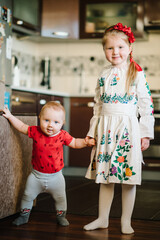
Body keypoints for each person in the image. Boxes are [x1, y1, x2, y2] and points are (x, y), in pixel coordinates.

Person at [83, 23, 154, 234]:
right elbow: (97, 106)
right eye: (110, 48)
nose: (115, 52)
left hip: (128, 130)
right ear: (104, 50)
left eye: (120, 47)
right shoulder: (103, 75)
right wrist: (92, 131)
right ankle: (102, 218)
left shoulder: (137, 74)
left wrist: (145, 134)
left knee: (127, 177)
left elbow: (146, 106)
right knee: (105, 176)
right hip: (105, 130)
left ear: (130, 47)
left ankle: (126, 221)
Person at [2, 101, 95, 227]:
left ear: (63, 123)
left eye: (56, 122)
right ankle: (24, 216)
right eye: (46, 120)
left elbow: (74, 143)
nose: (50, 125)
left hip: (56, 177)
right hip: (36, 176)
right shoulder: (35, 131)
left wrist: (85, 142)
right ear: (40, 118)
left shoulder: (62, 135)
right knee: (27, 195)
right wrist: (10, 116)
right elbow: (22, 127)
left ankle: (61, 216)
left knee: (61, 198)